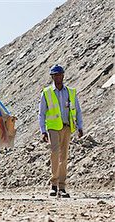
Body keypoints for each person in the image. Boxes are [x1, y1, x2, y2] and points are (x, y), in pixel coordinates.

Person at [38, 64, 84, 198]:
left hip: (67, 127)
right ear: (52, 77)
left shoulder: (70, 92)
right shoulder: (46, 92)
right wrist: (43, 131)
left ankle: (62, 186)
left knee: (64, 157)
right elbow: (41, 113)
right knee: (55, 154)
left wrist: (80, 126)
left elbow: (78, 110)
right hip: (53, 128)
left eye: (60, 74)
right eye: (55, 75)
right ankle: (54, 184)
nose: (58, 77)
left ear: (63, 75)